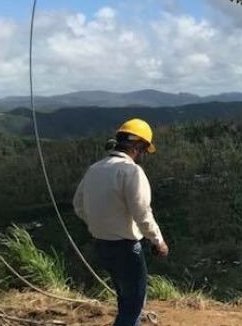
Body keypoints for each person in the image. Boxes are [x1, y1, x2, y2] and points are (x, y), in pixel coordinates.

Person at [74, 118, 169, 326]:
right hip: (125, 248)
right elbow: (142, 212)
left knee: (124, 297)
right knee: (133, 305)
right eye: (143, 149)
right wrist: (157, 241)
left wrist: (100, 224)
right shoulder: (131, 171)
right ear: (137, 146)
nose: (143, 154)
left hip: (102, 244)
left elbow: (79, 205)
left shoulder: (95, 169)